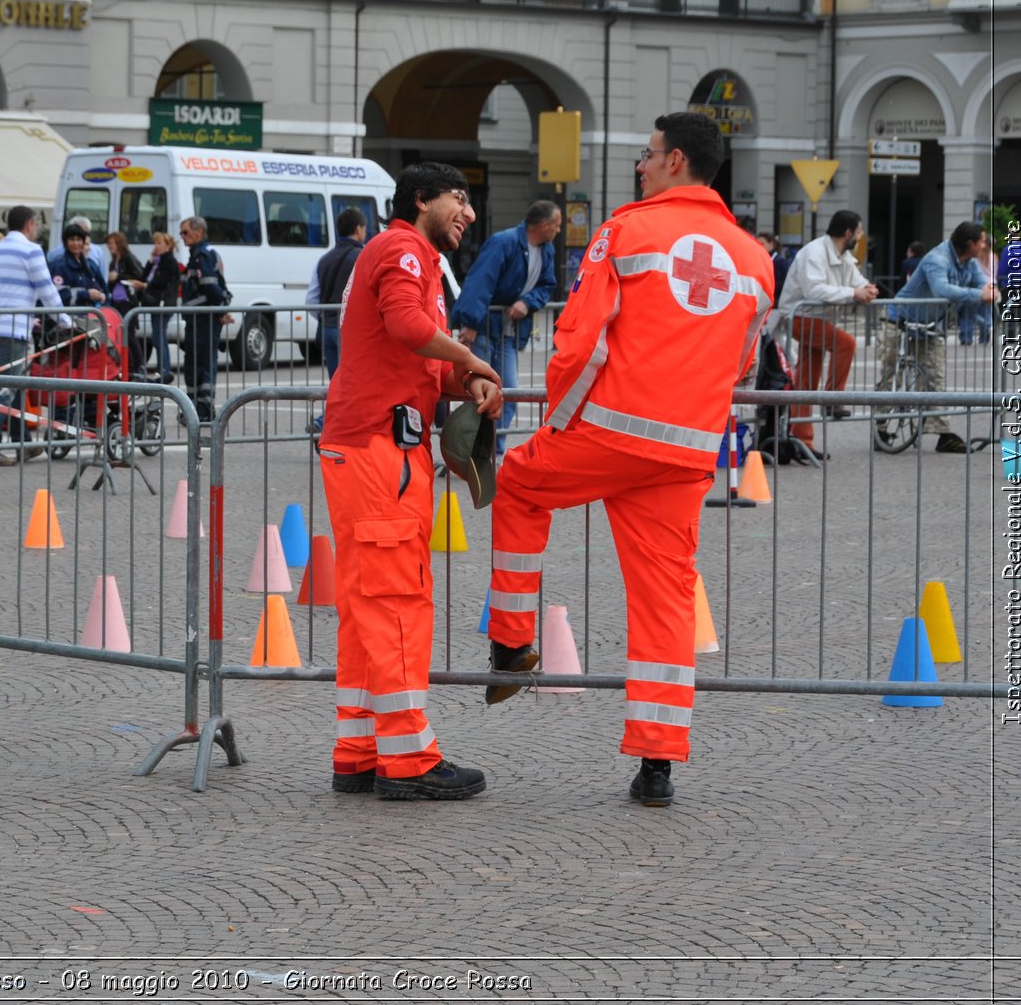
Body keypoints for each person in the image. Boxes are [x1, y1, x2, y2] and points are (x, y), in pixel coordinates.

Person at [485, 112, 775, 808]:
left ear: (675, 160)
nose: (639, 166)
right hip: (689, 449)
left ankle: (511, 645)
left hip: (610, 433)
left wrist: (555, 421)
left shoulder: (627, 230)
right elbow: (740, 361)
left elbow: (580, 338)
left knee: (520, 482)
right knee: (666, 597)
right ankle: (657, 763)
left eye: (647, 155)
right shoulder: (754, 259)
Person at [317, 161, 502, 800]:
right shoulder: (403, 249)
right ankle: (410, 760)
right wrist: (474, 359)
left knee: (368, 601)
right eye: (460, 198)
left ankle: (360, 749)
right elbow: (406, 327)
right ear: (421, 199)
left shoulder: (401, 251)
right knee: (396, 599)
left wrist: (462, 379)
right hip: (379, 451)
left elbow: (415, 356)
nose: (469, 213)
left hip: (366, 445)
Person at [450, 199, 561, 458]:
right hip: (486, 328)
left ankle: (491, 450)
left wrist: (526, 302)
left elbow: (547, 285)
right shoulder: (504, 242)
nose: (558, 231)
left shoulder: (546, 250)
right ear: (543, 225)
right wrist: (471, 323)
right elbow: (482, 282)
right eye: (555, 226)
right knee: (481, 391)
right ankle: (476, 451)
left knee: (507, 391)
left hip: (508, 331)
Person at [879, 221, 998, 453]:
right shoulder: (938, 259)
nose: (985, 244)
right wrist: (979, 295)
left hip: (930, 324)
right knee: (890, 373)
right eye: (982, 240)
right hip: (899, 318)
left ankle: (943, 433)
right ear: (970, 243)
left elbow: (981, 283)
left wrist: (990, 289)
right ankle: (881, 427)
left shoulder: (970, 262)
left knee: (936, 377)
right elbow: (941, 289)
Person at [770, 210, 878, 458]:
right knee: (846, 344)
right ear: (849, 233)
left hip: (815, 318)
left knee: (807, 380)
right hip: (799, 317)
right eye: (859, 232)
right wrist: (854, 293)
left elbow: (857, 280)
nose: (860, 237)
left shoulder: (843, 255)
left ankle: (802, 440)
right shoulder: (815, 253)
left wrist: (866, 288)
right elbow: (814, 289)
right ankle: (831, 399)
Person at [0, 205, 69, 465]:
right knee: (7, 388)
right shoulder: (31, 250)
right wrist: (64, 319)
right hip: (13, 329)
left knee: (12, 385)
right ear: (29, 224)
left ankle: (23, 444)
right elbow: (46, 289)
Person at [304, 208, 368, 432]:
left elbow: (311, 299)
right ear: (359, 229)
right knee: (351, 385)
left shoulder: (325, 259)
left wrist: (325, 318)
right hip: (348, 331)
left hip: (326, 328)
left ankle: (334, 429)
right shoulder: (364, 256)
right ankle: (325, 423)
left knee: (337, 383)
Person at [178, 215, 230, 421]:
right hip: (198, 318)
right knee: (194, 363)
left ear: (198, 233)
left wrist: (220, 309)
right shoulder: (199, 254)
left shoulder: (202, 255)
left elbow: (211, 287)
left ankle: (203, 409)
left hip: (203, 319)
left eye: (185, 232)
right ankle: (194, 408)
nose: (182, 236)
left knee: (202, 364)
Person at [104, 231, 149, 378]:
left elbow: (138, 275)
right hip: (116, 301)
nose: (109, 246)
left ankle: (139, 365)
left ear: (119, 244)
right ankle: (128, 365)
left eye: (112, 243)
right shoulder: (113, 262)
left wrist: (119, 277)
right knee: (121, 335)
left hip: (128, 302)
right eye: (108, 244)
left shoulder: (128, 258)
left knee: (129, 335)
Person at [140, 230, 181, 383]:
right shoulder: (158, 261)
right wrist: (150, 261)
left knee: (159, 335)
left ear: (168, 245)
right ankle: (162, 368)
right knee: (157, 335)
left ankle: (164, 369)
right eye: (155, 243)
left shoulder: (169, 261)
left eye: (159, 243)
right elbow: (145, 276)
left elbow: (160, 281)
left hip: (164, 302)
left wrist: (145, 285)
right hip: (155, 302)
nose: (155, 246)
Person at [47, 223, 107, 307]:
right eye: (71, 239)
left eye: (79, 239)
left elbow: (99, 287)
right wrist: (87, 294)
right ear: (65, 242)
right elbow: (57, 296)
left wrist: (100, 294)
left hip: (86, 315)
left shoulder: (87, 265)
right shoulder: (59, 266)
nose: (75, 243)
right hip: (67, 317)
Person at [960, 233, 998, 344]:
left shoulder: (977, 257)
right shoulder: (994, 256)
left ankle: (966, 337)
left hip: (977, 286)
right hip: (991, 286)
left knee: (969, 313)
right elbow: (995, 273)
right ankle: (985, 335)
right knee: (986, 313)